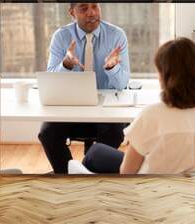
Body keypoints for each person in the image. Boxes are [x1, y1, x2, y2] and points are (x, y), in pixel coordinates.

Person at [81, 37, 195, 174]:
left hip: (153, 189)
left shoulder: (152, 115)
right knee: (97, 151)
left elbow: (126, 172)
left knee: (94, 154)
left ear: (167, 76)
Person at [38, 3, 130, 173]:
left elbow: (122, 84)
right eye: (83, 8)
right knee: (47, 134)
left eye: (95, 6)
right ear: (72, 12)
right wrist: (65, 64)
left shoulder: (116, 35)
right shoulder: (61, 36)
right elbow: (51, 78)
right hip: (71, 104)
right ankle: (68, 175)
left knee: (114, 133)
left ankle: (89, 172)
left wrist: (112, 68)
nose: (91, 13)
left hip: (105, 107)